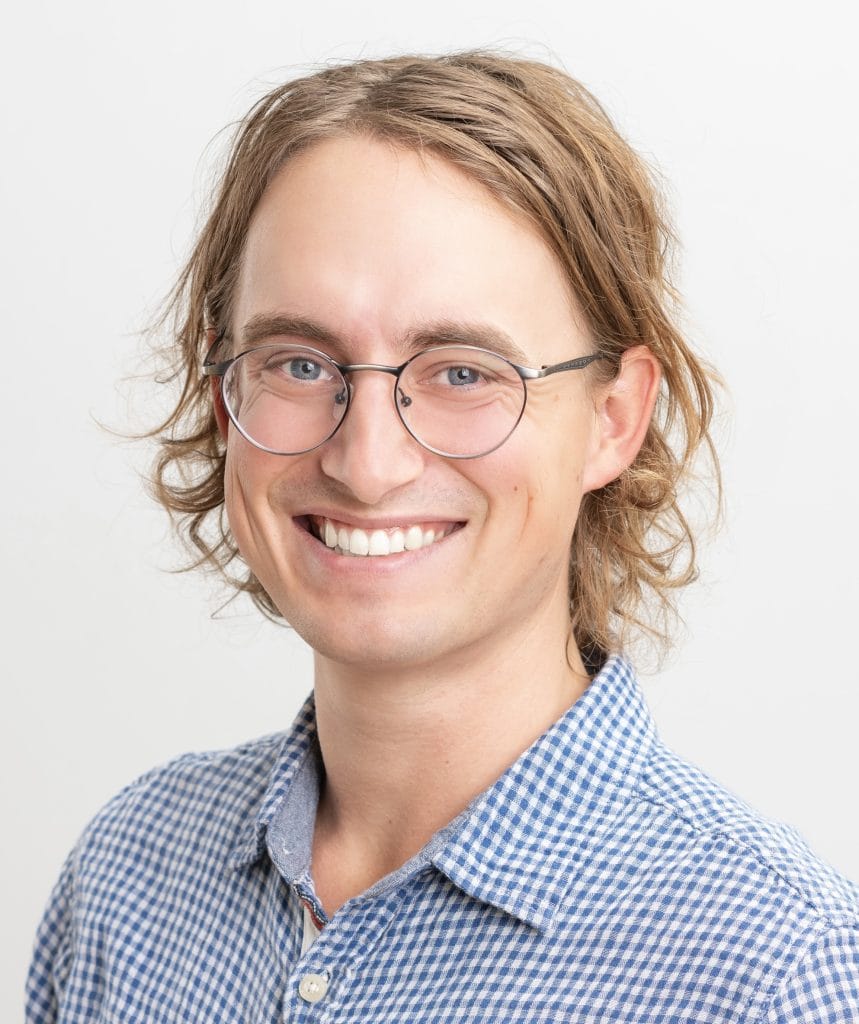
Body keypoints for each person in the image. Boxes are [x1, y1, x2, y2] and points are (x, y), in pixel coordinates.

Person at [27, 51, 859, 1023]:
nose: (366, 461)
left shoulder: (777, 970)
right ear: (225, 401)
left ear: (613, 419)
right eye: (298, 361)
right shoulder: (129, 876)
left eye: (463, 372)